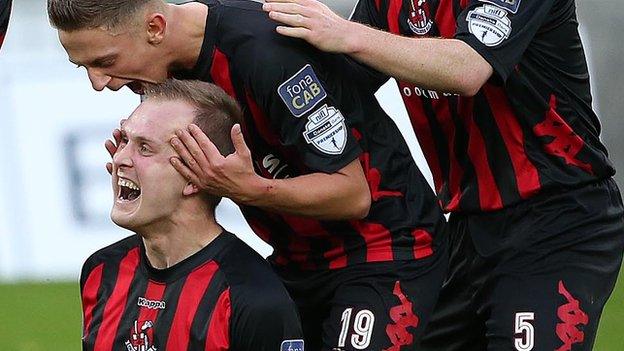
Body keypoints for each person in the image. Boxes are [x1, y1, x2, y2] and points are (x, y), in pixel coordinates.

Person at [47, 0, 449, 350]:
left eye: (105, 62)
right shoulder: (161, 68)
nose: (99, 84)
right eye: (84, 66)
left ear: (155, 28)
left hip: (385, 251)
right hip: (294, 261)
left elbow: (352, 194)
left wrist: (249, 188)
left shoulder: (266, 55)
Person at [262, 0, 624, 350]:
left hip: (559, 220)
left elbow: (467, 69)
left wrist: (347, 34)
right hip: (465, 229)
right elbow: (342, 84)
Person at [80, 79, 303, 351]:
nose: (119, 159)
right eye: (125, 140)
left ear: (194, 178)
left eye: (145, 148)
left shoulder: (253, 299)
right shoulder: (102, 271)